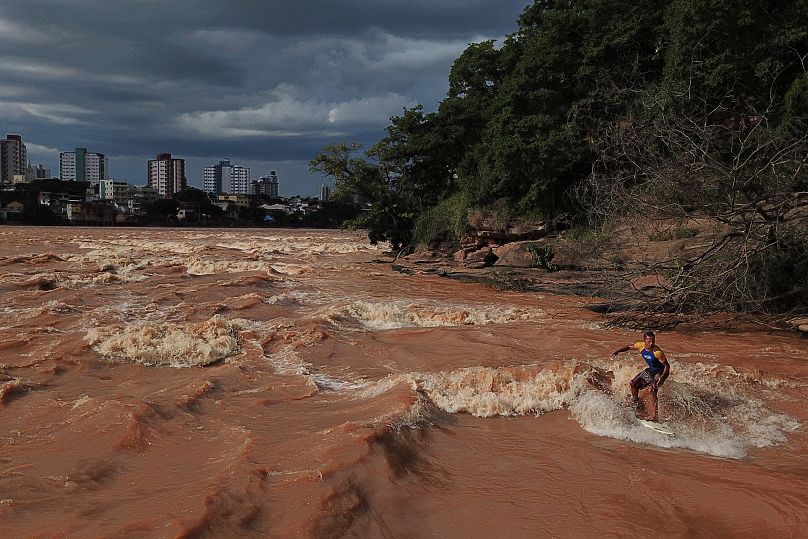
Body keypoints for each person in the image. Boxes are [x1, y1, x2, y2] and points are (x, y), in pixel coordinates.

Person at [611, 331, 670, 421]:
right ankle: (636, 404)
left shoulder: (658, 352)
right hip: (651, 371)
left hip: (661, 372)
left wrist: (661, 378)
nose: (651, 343)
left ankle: (654, 415)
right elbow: (628, 347)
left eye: (653, 341)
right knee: (633, 383)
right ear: (644, 341)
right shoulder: (640, 345)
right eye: (649, 341)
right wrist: (617, 351)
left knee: (651, 390)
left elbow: (667, 366)